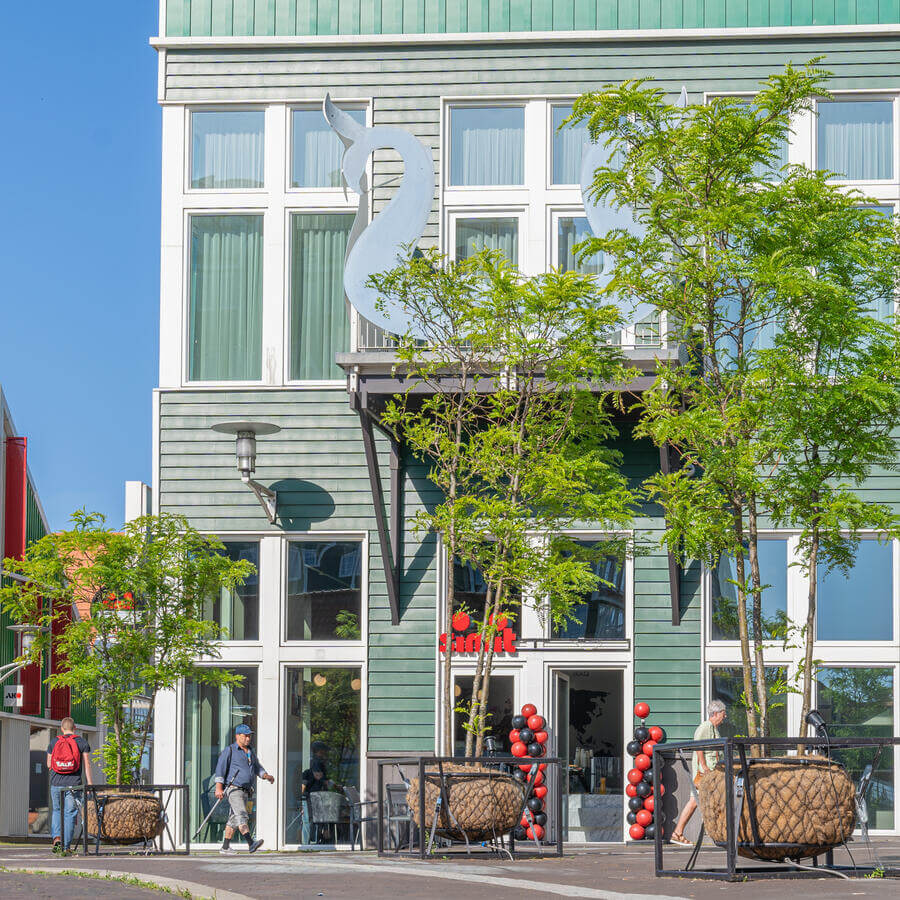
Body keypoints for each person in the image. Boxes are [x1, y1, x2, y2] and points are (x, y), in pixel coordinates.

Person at [670, 699, 727, 847]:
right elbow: (699, 747)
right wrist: (704, 767)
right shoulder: (705, 727)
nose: (724, 717)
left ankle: (679, 833)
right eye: (723, 713)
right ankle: (679, 833)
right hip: (704, 773)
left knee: (697, 802)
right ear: (715, 713)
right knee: (696, 801)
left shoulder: (714, 728)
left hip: (712, 771)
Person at [214, 723, 275, 855]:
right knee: (241, 814)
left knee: (234, 819)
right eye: (245, 736)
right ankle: (250, 843)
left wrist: (265, 776)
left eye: (249, 736)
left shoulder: (250, 752)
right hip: (234, 789)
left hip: (246, 790)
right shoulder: (229, 750)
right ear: (238, 736)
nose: (248, 738)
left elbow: (257, 767)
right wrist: (219, 788)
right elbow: (220, 769)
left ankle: (225, 847)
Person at [47, 716, 93, 854]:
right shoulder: (82, 742)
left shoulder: (54, 742)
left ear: (62, 729)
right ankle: (66, 847)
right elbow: (87, 766)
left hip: (56, 783)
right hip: (73, 784)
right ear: (75, 728)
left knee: (56, 810)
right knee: (70, 814)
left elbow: (49, 764)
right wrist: (90, 783)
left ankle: (56, 839)